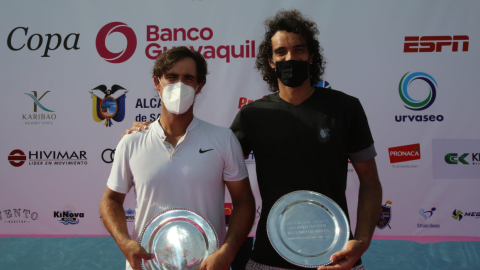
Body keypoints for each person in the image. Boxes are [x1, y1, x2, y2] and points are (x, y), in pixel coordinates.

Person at [127, 10, 382, 270]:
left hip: (337, 258)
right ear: (270, 61)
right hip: (268, 258)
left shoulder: (346, 109)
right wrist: (153, 133)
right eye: (281, 52)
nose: (290, 57)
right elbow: (206, 154)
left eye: (299, 50)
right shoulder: (253, 115)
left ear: (311, 56)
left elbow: (371, 183)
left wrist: (361, 240)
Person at [101, 46, 256, 270]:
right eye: (171, 77)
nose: (179, 85)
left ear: (199, 86)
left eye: (188, 78)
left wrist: (227, 252)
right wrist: (125, 243)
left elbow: (243, 201)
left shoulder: (222, 139)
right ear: (157, 83)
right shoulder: (132, 141)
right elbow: (110, 200)